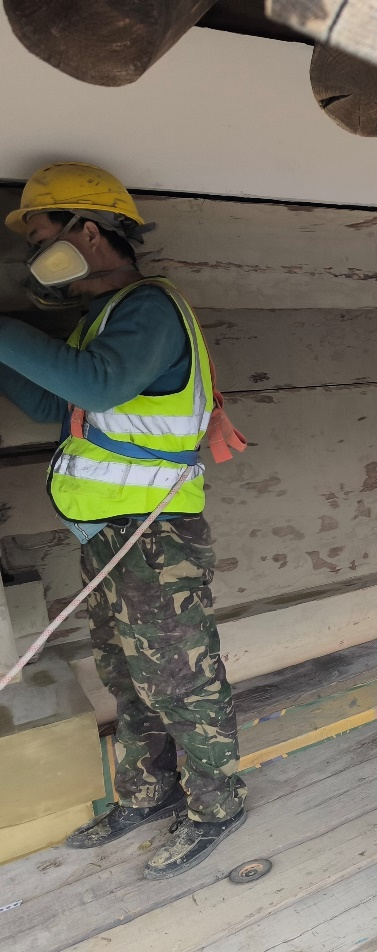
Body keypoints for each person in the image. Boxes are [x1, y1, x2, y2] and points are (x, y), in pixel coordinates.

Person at [0, 163, 246, 878]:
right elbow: (54, 403)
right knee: (127, 672)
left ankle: (217, 806)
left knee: (178, 676)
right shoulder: (100, 323)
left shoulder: (150, 308)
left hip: (155, 532)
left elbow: (97, 385)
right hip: (110, 531)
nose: (33, 254)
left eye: (41, 237)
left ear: (88, 231)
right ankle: (146, 792)